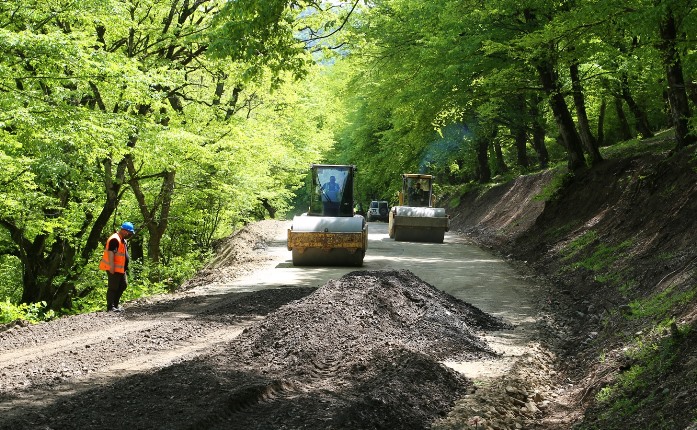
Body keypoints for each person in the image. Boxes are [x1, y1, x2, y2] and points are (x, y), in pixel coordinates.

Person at [99, 221, 134, 312]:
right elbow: (111, 253)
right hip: (114, 268)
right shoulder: (115, 239)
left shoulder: (122, 239)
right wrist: (111, 267)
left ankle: (116, 305)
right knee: (113, 287)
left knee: (123, 285)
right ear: (125, 231)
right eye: (129, 233)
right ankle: (110, 307)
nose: (130, 235)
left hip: (121, 268)